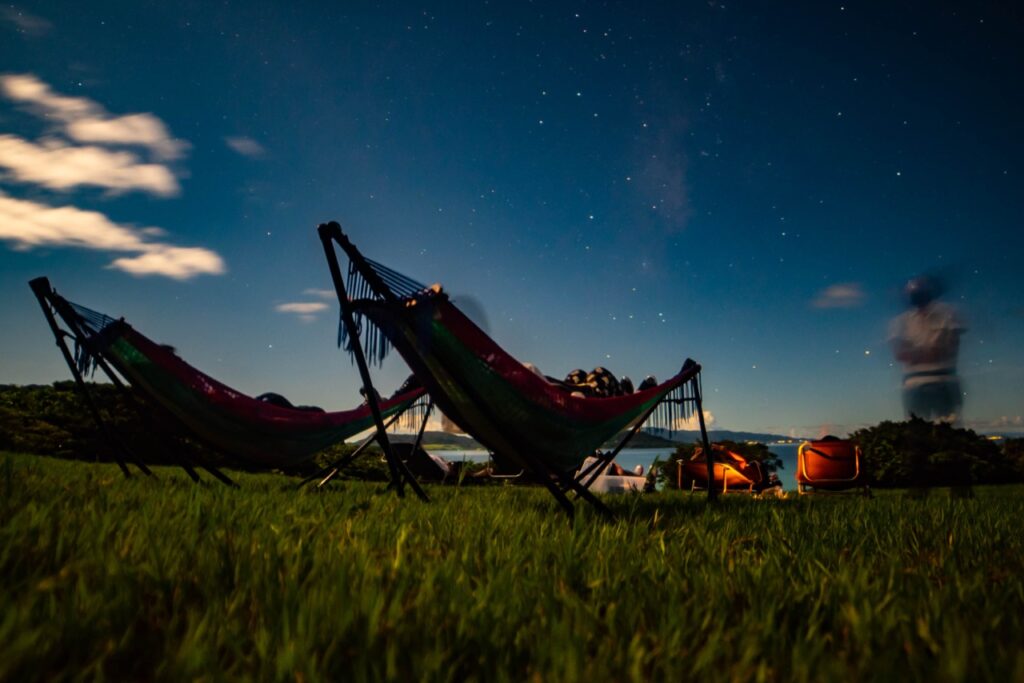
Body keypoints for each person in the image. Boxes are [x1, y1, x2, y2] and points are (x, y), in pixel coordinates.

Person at [888, 275, 966, 424]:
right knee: (917, 430)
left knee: (949, 428)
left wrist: (915, 353)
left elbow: (950, 349)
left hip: (944, 381)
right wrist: (932, 351)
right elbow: (900, 354)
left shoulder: (948, 314)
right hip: (915, 384)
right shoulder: (901, 321)